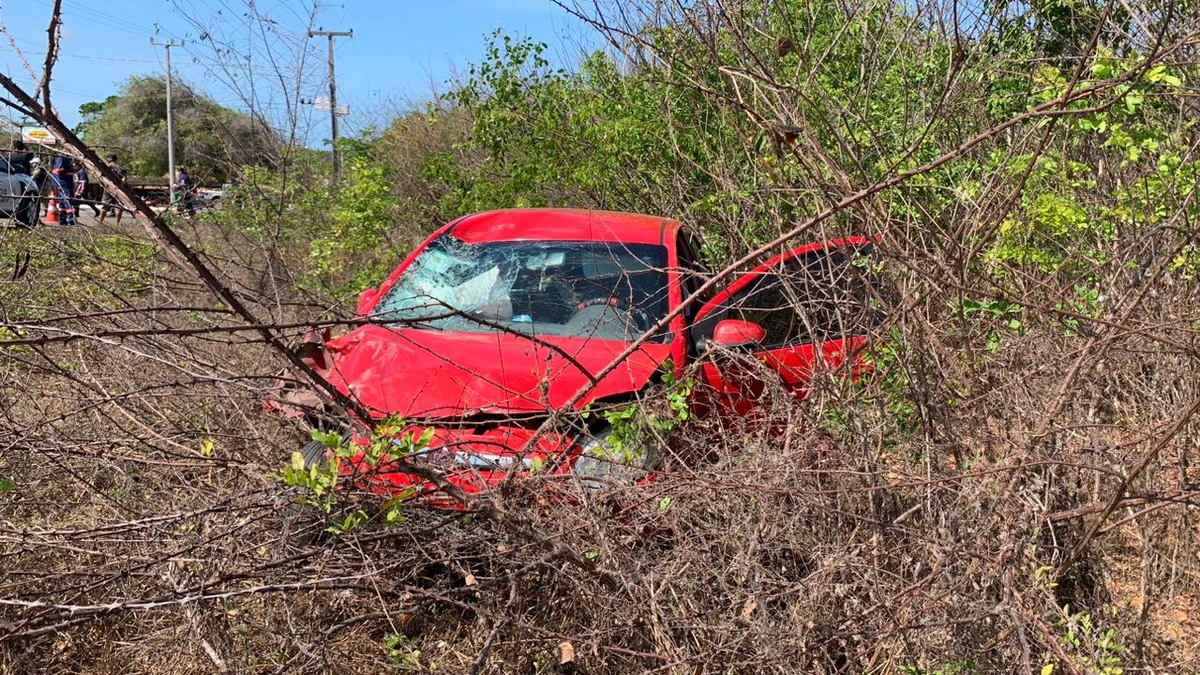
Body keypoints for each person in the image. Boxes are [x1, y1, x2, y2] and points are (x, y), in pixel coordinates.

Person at [98, 154, 127, 224]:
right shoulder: (119, 167)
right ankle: (117, 223)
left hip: (108, 188)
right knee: (119, 206)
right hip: (117, 189)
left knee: (105, 206)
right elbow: (124, 178)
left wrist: (103, 184)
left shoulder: (107, 167)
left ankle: (100, 222)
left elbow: (101, 177)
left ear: (110, 158)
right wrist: (120, 186)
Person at [51, 153, 77, 225]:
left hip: (62, 181)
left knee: (63, 201)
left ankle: (62, 219)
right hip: (65, 181)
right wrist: (70, 171)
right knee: (68, 200)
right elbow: (58, 170)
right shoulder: (63, 157)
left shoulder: (63, 158)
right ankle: (70, 219)